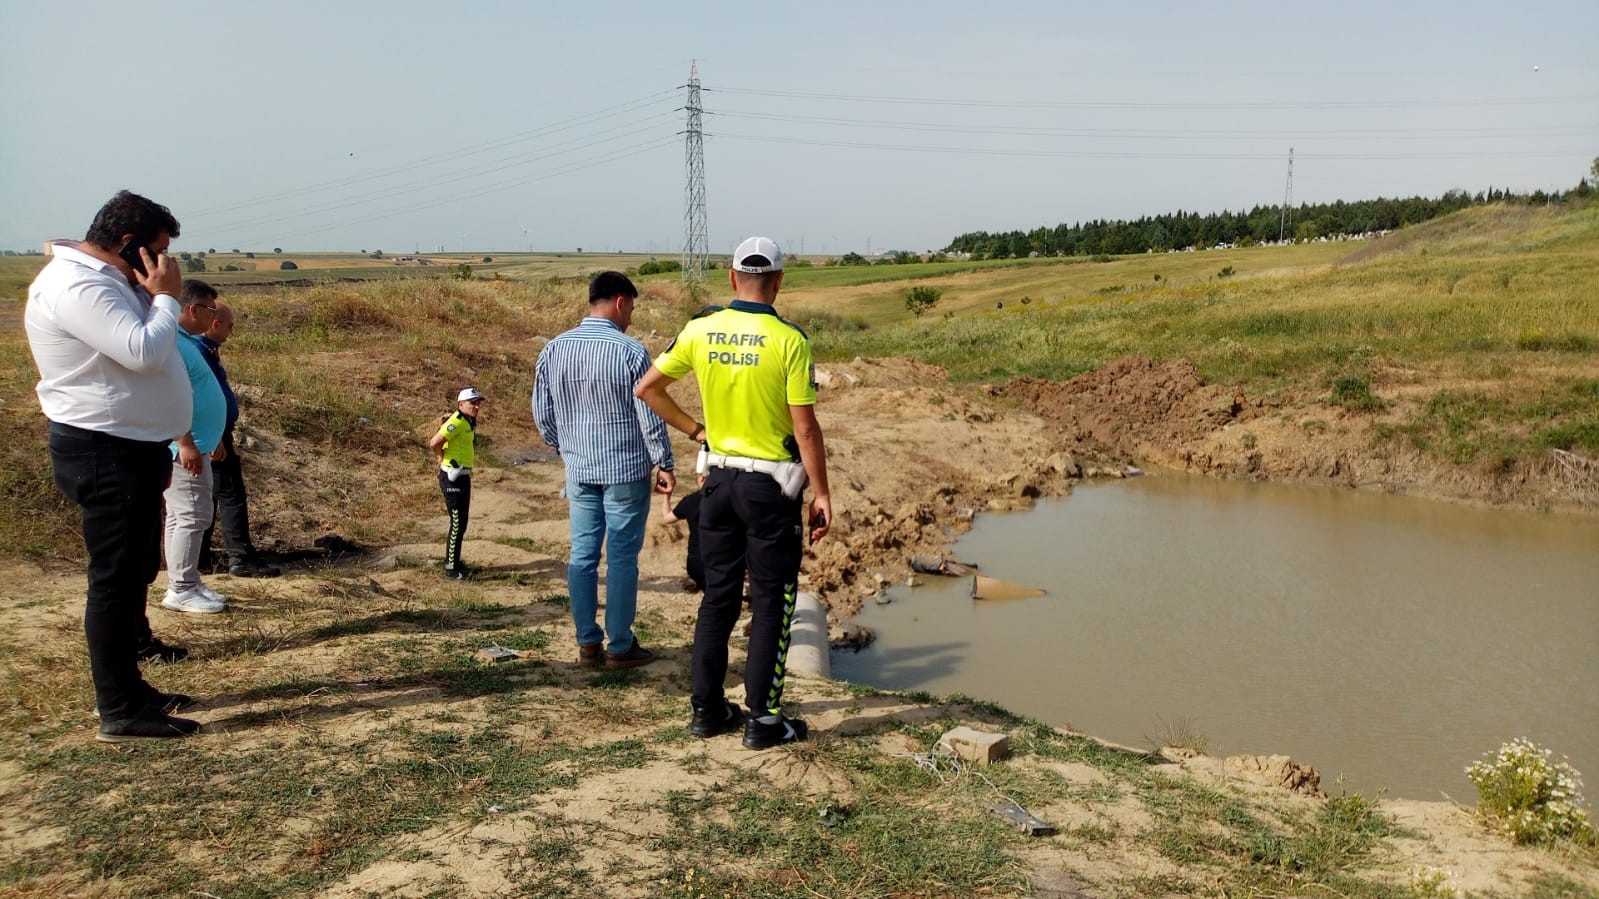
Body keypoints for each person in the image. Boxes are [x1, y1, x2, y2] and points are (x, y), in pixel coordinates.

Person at [635, 236, 832, 749]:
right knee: (772, 602)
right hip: (770, 490)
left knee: (718, 598)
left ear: (731, 278)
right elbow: (805, 429)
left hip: (718, 483)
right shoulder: (789, 340)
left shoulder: (701, 329)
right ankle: (764, 720)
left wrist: (697, 431)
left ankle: (706, 710)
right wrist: (823, 494)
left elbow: (647, 388)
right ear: (780, 282)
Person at [23, 190, 201, 741]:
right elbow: (143, 351)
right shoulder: (77, 285)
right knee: (115, 583)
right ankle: (120, 710)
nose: (166, 264)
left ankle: (133, 687)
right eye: (159, 252)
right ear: (129, 244)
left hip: (131, 447)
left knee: (134, 576)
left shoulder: (107, 281)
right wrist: (167, 298)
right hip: (105, 451)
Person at [533, 271, 675, 670]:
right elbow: (648, 415)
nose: (631, 315)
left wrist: (567, 448)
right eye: (631, 306)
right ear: (618, 302)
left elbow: (542, 415)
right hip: (625, 470)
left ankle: (587, 643)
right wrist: (663, 461)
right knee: (623, 557)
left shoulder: (554, 349)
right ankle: (620, 645)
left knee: (582, 555)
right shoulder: (630, 352)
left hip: (579, 469)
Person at [196, 300, 281, 578]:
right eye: (230, 325)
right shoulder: (198, 351)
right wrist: (214, 436)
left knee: (210, 495)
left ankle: (200, 558)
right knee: (230, 495)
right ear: (215, 323)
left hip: (214, 433)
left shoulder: (206, 350)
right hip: (212, 436)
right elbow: (198, 399)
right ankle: (240, 559)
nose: (232, 331)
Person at [161, 281, 230, 614]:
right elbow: (170, 396)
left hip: (199, 442)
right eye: (211, 310)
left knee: (182, 516)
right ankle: (182, 588)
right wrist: (184, 440)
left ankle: (186, 580)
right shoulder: (173, 343)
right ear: (194, 309)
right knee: (192, 515)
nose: (213, 316)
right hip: (186, 448)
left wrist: (212, 433)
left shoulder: (186, 342)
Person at [429, 388, 484, 579]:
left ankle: (455, 561)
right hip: (452, 477)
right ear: (461, 405)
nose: (476, 406)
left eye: (478, 403)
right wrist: (440, 458)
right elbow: (435, 441)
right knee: (457, 522)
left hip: (463, 476)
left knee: (462, 523)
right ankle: (451, 568)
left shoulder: (468, 422)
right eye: (472, 403)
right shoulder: (456, 422)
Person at [659, 476, 706, 592]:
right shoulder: (729, 499)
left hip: (695, 563)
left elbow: (667, 518)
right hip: (720, 562)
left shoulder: (691, 500)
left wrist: (666, 495)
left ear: (701, 479)